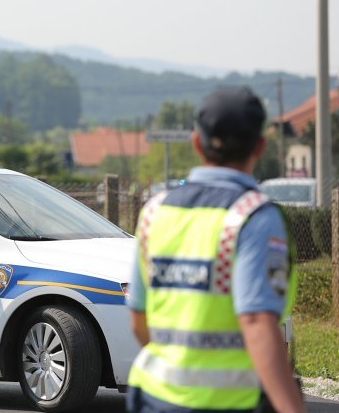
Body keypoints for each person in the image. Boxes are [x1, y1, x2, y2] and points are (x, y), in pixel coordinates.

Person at [126, 86, 303, 413]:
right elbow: (257, 324)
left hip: (153, 398)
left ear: (196, 143)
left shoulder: (154, 212)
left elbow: (139, 319)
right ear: (260, 147)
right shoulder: (255, 218)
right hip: (228, 403)